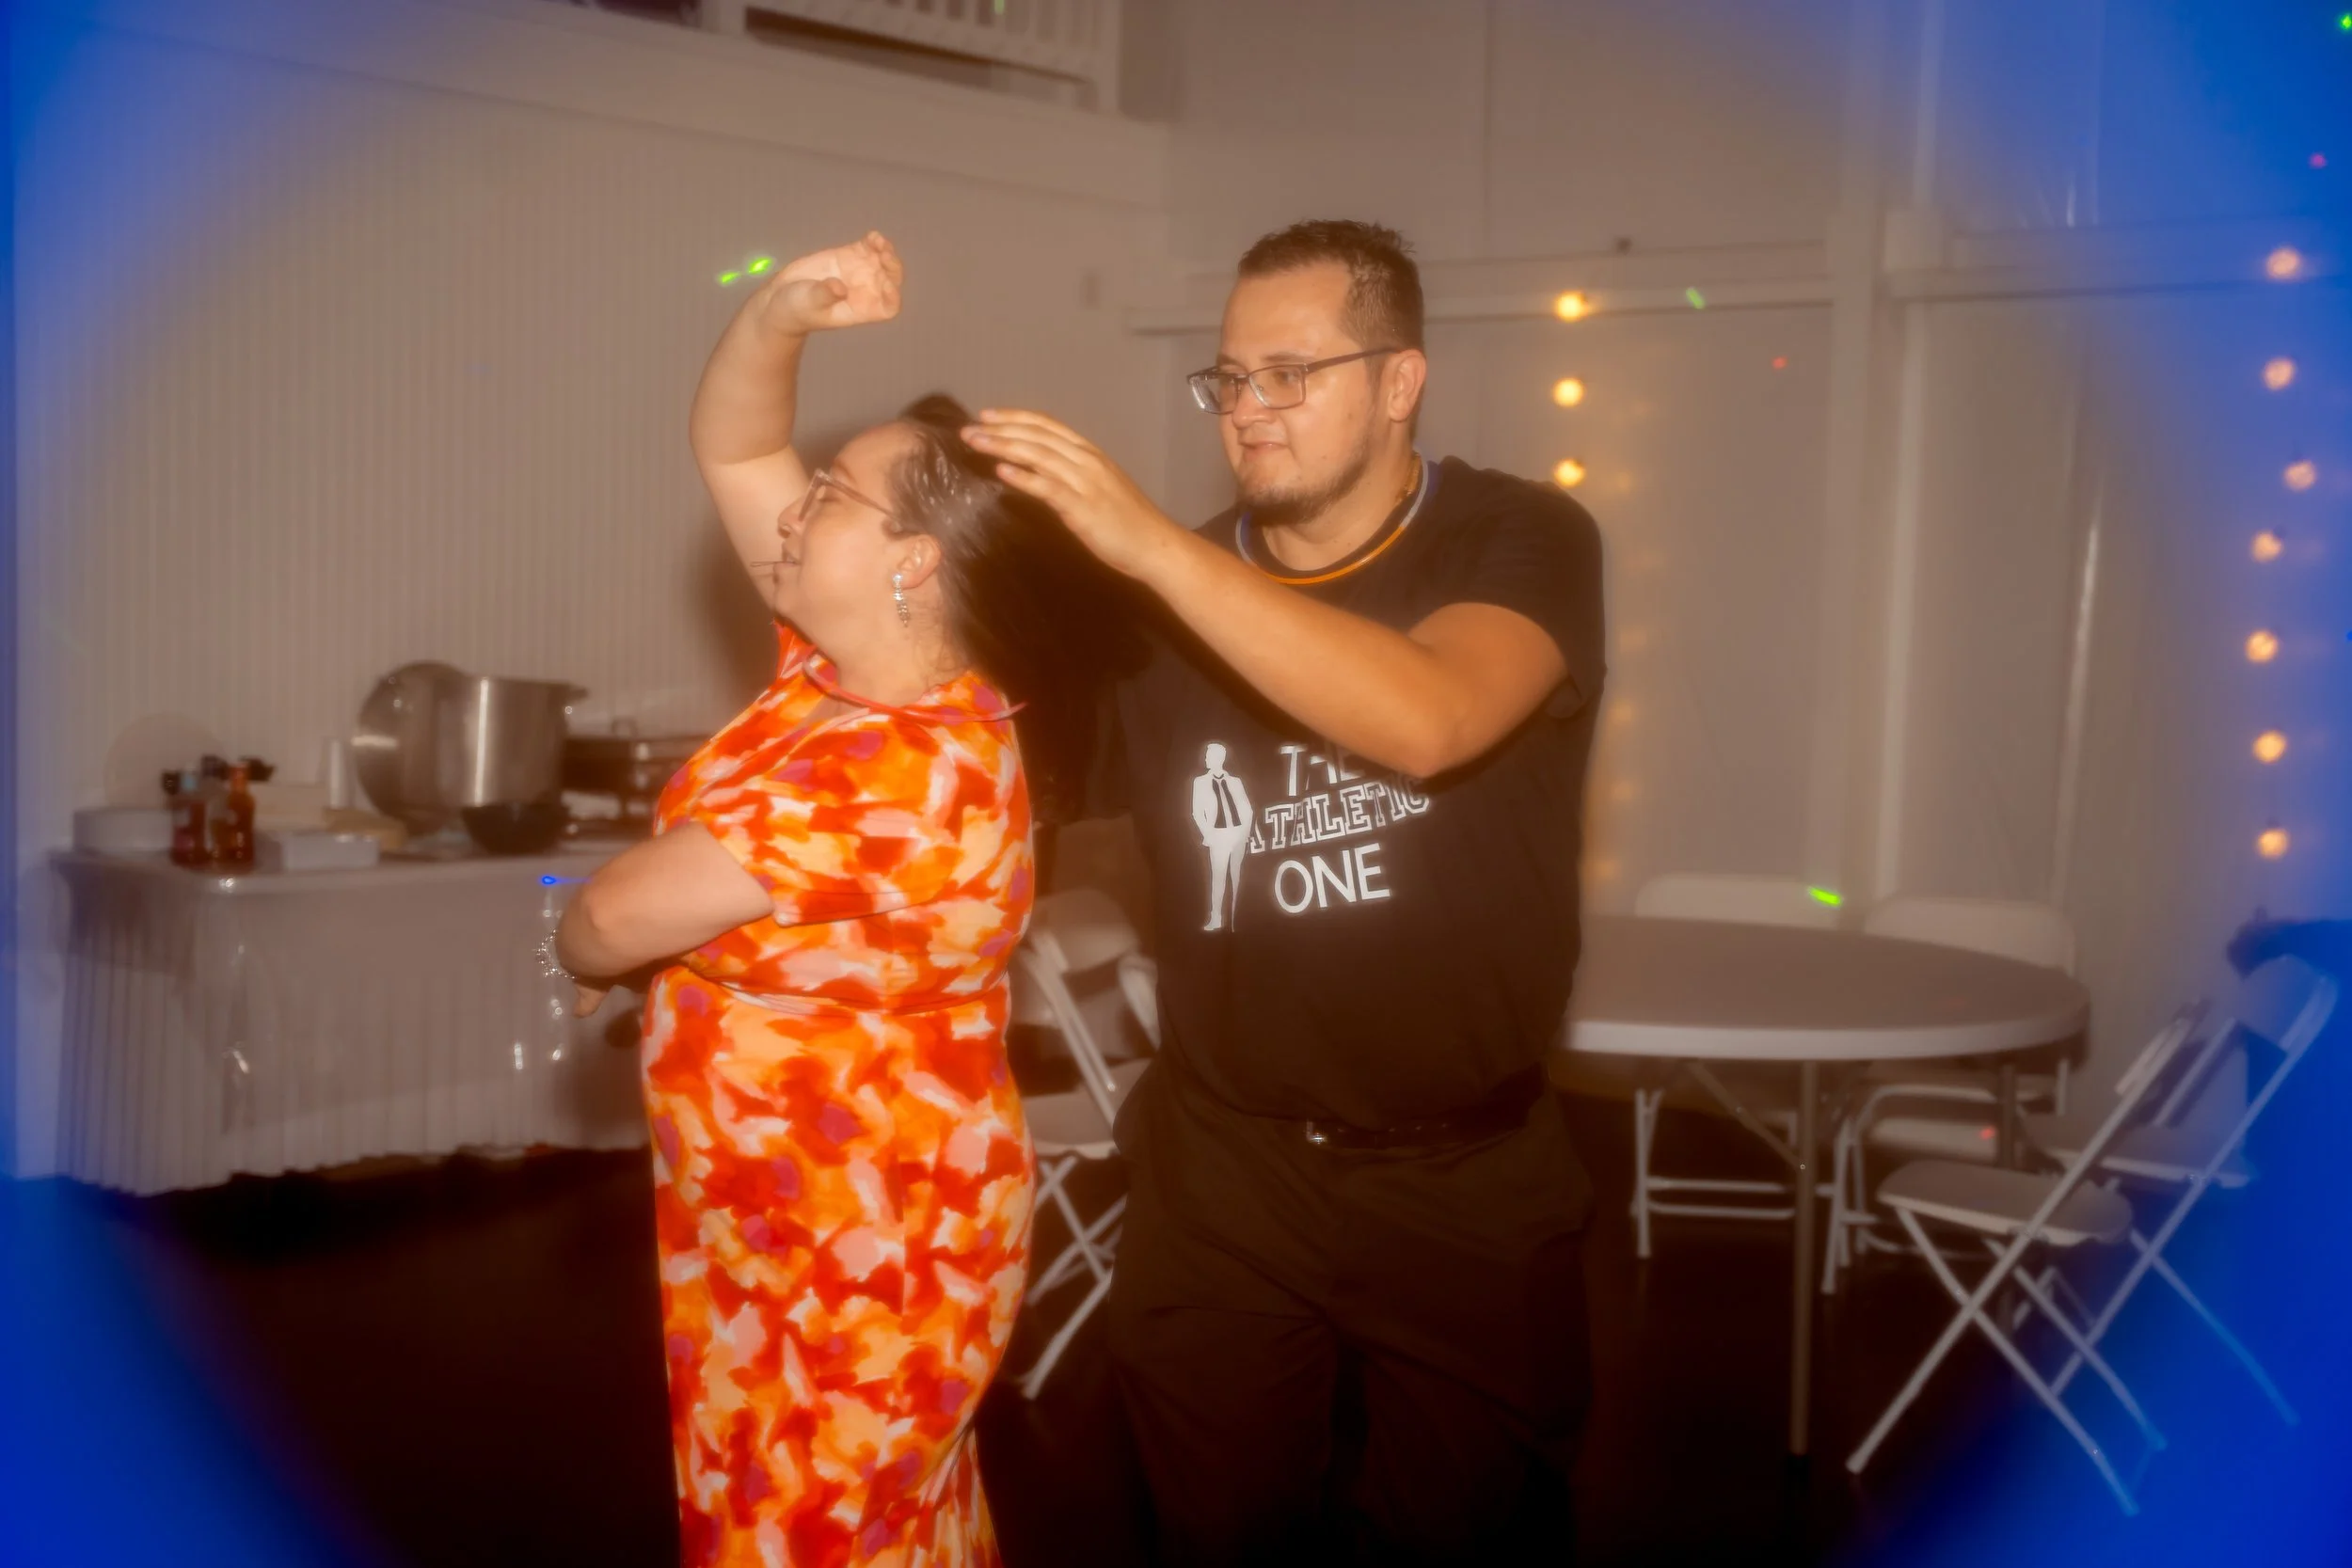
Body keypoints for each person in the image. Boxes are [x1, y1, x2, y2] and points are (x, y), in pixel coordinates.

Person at [964, 219, 1605, 1563]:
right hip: (1225, 1170)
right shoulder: (1162, 595)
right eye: (1230, 378)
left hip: (1464, 1175)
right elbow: (989, 771)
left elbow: (1431, 718)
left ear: (1400, 380)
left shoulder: (1521, 534)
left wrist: (1149, 550)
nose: (1247, 408)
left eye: (1291, 374)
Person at [552, 231, 1124, 1567]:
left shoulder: (900, 769)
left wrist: (574, 950)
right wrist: (782, 314)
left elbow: (615, 916)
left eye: (835, 494)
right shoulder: (837, 669)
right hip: (775, 1213)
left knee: (814, 1538)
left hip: (863, 1239)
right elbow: (739, 445)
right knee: (847, 1529)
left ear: (914, 559)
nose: (798, 504)